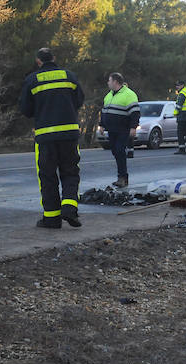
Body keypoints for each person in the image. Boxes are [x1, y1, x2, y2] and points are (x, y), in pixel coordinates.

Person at [19, 48, 85, 229]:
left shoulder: (32, 80)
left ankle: (52, 218)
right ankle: (69, 208)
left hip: (45, 136)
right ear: (54, 58)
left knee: (47, 176)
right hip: (69, 134)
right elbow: (79, 101)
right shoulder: (69, 76)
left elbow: (25, 110)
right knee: (70, 172)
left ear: (38, 61)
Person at [100, 72, 140, 187]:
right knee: (115, 152)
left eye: (109, 80)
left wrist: (133, 127)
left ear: (115, 82)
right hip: (111, 130)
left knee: (119, 151)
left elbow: (135, 113)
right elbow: (104, 112)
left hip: (123, 129)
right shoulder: (109, 95)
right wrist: (101, 125)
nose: (108, 83)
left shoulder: (129, 94)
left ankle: (123, 177)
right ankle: (121, 177)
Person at [174, 80, 186, 155]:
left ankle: (181, 149)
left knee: (181, 132)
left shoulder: (182, 93)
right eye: (176, 85)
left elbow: (179, 105)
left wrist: (175, 113)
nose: (177, 87)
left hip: (182, 115)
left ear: (182, 85)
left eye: (178, 85)